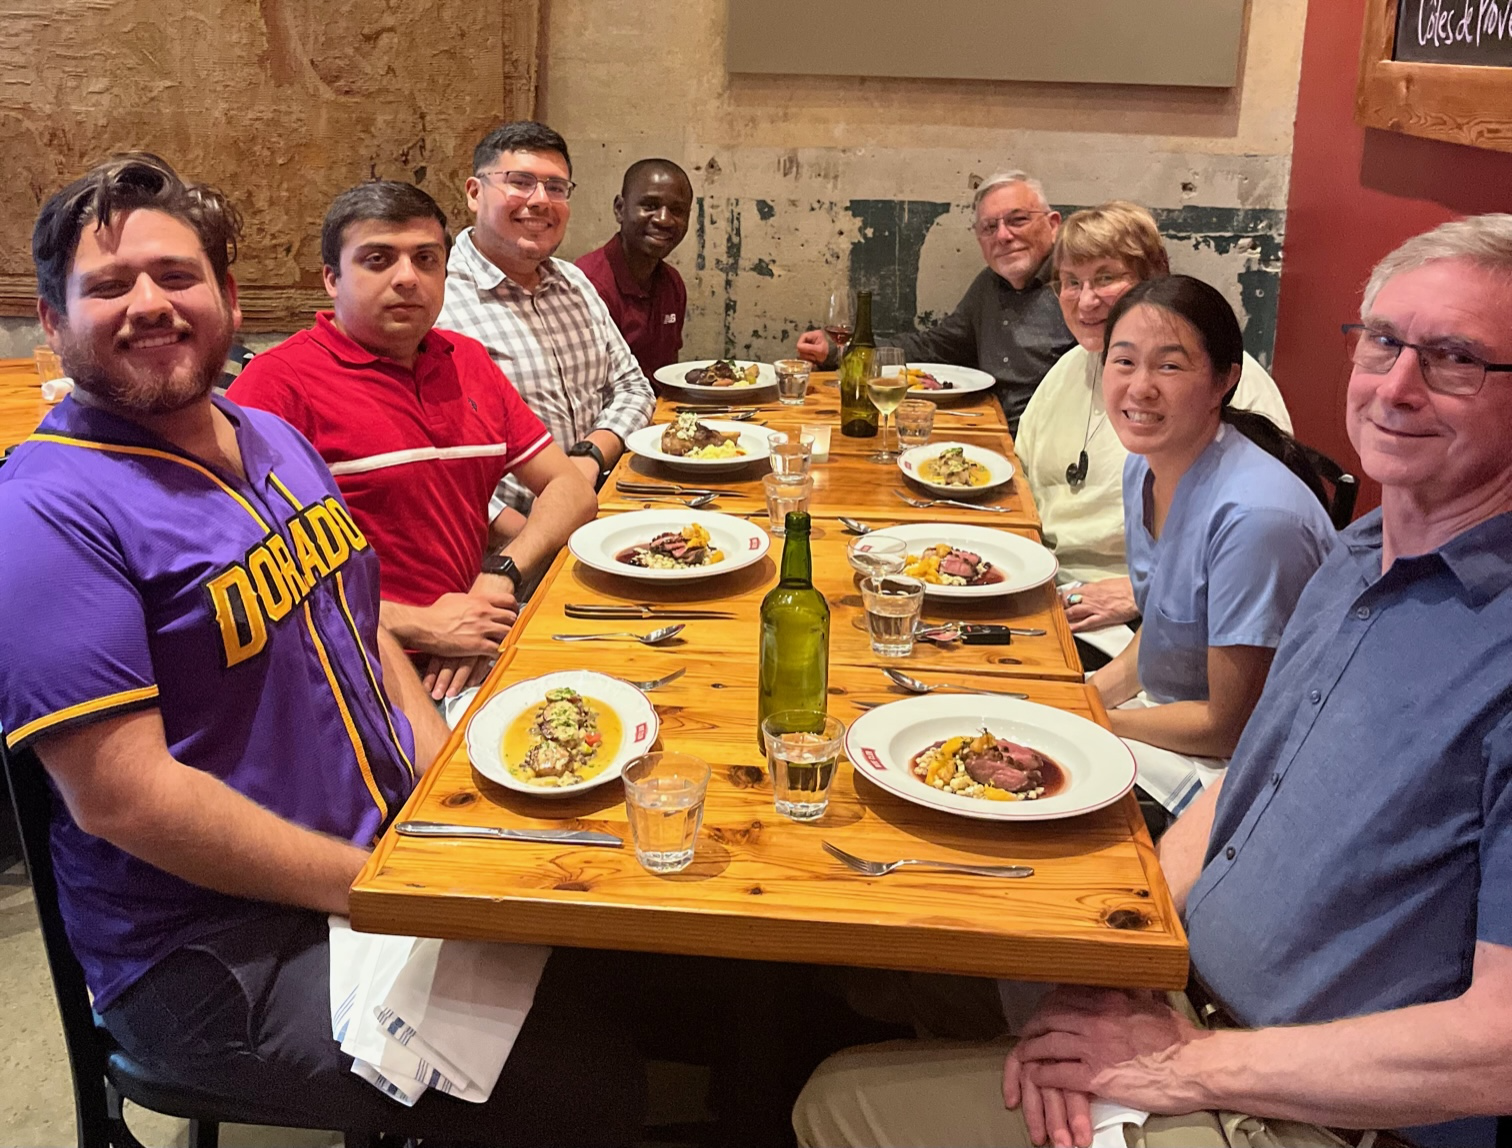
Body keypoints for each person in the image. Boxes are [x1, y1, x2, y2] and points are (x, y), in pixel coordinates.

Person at [793, 214, 1512, 1148]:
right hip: (1185, 993)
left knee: (838, 1101)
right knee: (889, 957)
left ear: (1222, 381)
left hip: (1313, 1101)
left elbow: (1497, 1045)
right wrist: (1117, 955)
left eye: (1457, 359)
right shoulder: (1361, 554)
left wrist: (1180, 1063)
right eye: (1382, 341)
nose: (1398, 387)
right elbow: (1248, 774)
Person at [0, 153, 642, 1143]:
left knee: (632, 952)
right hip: (210, 945)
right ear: (52, 320)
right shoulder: (48, 514)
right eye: (107, 284)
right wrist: (382, 884)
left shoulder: (269, 439)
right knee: (582, 1080)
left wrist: (436, 780)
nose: (150, 305)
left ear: (227, 296)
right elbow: (126, 797)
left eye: (177, 276)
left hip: (376, 849)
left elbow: (360, 618)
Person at [230, 181, 597, 704]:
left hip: (474, 642)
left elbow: (571, 487)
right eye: (378, 259)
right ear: (331, 279)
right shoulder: (278, 384)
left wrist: (500, 577)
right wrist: (417, 624)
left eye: (426, 259)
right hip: (347, 669)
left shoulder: (465, 361)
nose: (408, 278)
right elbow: (240, 574)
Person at [1086, 276, 1334, 813]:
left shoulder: (1256, 520)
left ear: (1226, 380)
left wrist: (1096, 720)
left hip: (1239, 777)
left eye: (1170, 366)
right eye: (1123, 361)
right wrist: (1083, 697)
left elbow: (1228, 726)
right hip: (1169, 721)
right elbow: (1164, 631)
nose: (1140, 387)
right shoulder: (1145, 467)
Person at [1016, 203, 1294, 650]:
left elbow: (1247, 546)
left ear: (1155, 279)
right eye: (1071, 282)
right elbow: (1022, 476)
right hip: (1050, 585)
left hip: (1141, 619)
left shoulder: (1222, 385)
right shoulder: (1072, 367)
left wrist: (1137, 592)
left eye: (1106, 277)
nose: (1085, 300)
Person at [438, 120, 656, 512]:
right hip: (505, 549)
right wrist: (533, 542)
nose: (540, 200)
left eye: (555, 188)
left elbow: (633, 388)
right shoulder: (439, 302)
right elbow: (436, 463)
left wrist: (588, 458)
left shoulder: (574, 283)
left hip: (600, 512)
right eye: (519, 182)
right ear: (474, 192)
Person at [795, 170, 1075, 428]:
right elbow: (934, 347)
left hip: (1052, 453)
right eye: (989, 227)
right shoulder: (988, 285)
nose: (1003, 235)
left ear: (1052, 225)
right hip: (984, 430)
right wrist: (838, 352)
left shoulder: (1079, 289)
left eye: (1018, 220)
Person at [576, 158, 694, 378]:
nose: (664, 220)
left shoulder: (671, 282)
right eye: (650, 206)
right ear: (620, 209)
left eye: (677, 210)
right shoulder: (588, 285)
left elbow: (666, 373)